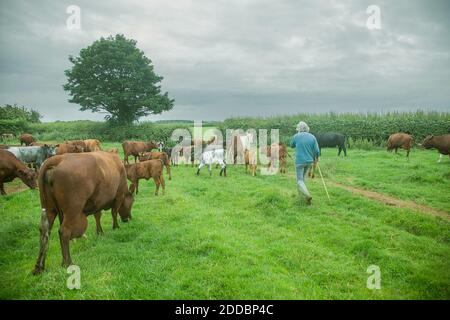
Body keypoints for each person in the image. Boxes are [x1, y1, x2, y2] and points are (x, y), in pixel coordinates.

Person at [290, 121, 320, 205]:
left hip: (299, 161)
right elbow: (317, 151)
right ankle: (301, 195)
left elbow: (291, 145)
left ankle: (307, 195)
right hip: (309, 161)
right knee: (302, 179)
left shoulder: (296, 136)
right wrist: (317, 158)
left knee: (299, 180)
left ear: (298, 129)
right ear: (307, 128)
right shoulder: (312, 137)